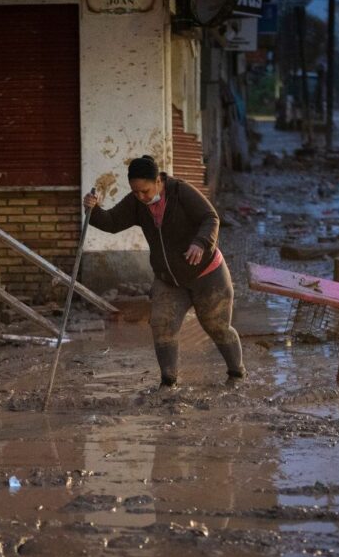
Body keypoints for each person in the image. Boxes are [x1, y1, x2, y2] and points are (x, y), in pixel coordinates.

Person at [83, 155, 245, 387]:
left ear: (158, 181)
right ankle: (168, 382)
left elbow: (210, 218)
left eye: (145, 191)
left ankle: (237, 374)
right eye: (136, 192)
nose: (141, 197)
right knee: (162, 325)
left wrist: (200, 243)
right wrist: (93, 209)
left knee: (217, 326)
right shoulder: (136, 203)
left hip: (208, 274)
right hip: (168, 279)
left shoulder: (181, 192)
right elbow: (111, 223)